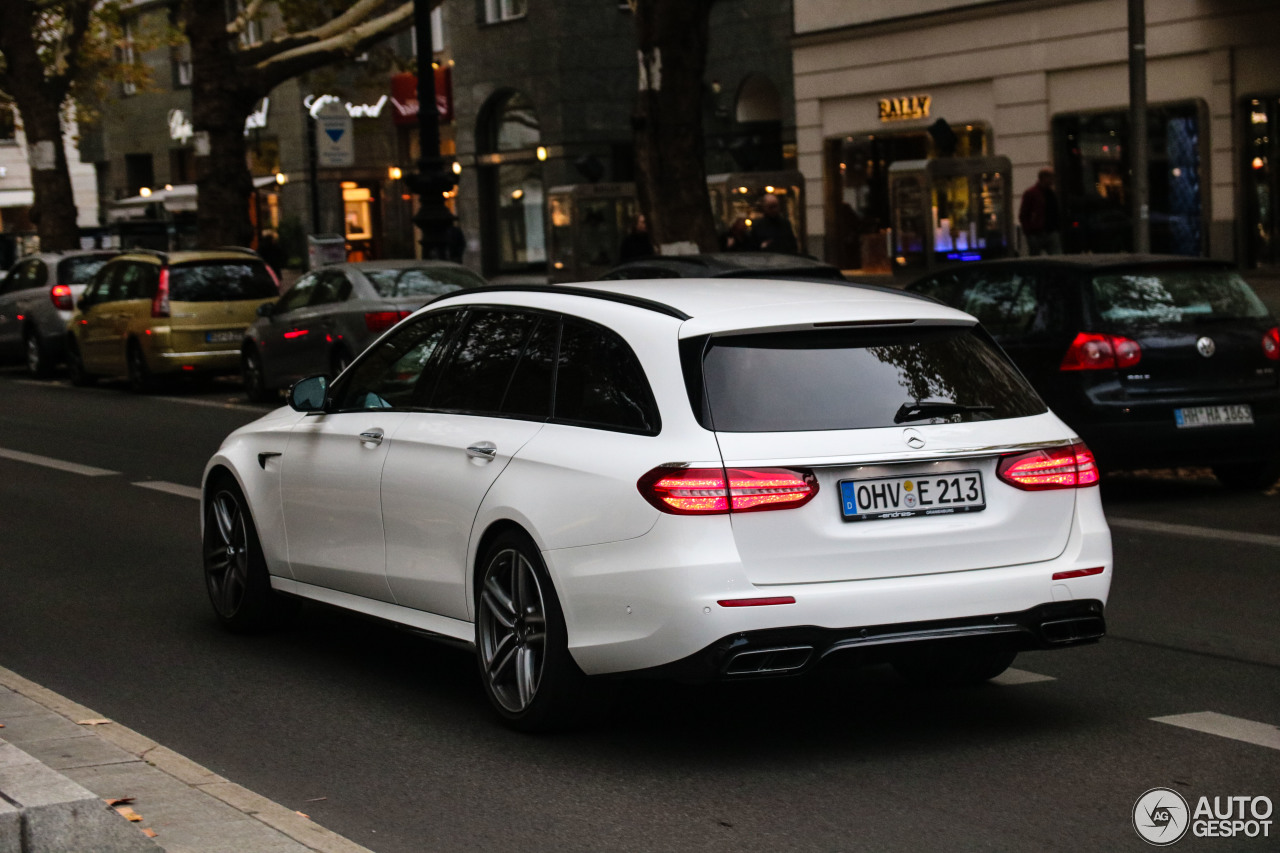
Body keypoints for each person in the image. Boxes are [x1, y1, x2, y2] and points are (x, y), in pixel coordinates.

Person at [1019, 167, 1063, 255]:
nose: (1052, 180)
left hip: (1048, 231)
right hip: (1037, 233)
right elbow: (1024, 215)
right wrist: (1029, 232)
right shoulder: (1032, 193)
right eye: (1051, 177)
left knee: (1053, 255)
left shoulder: (1050, 193)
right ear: (1044, 178)